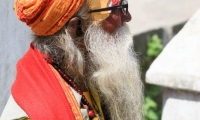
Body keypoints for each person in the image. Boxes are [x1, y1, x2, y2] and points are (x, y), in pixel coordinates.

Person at [1, 0, 143, 120]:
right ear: (78, 29)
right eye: (117, 8)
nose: (127, 17)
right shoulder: (31, 113)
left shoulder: (94, 73)